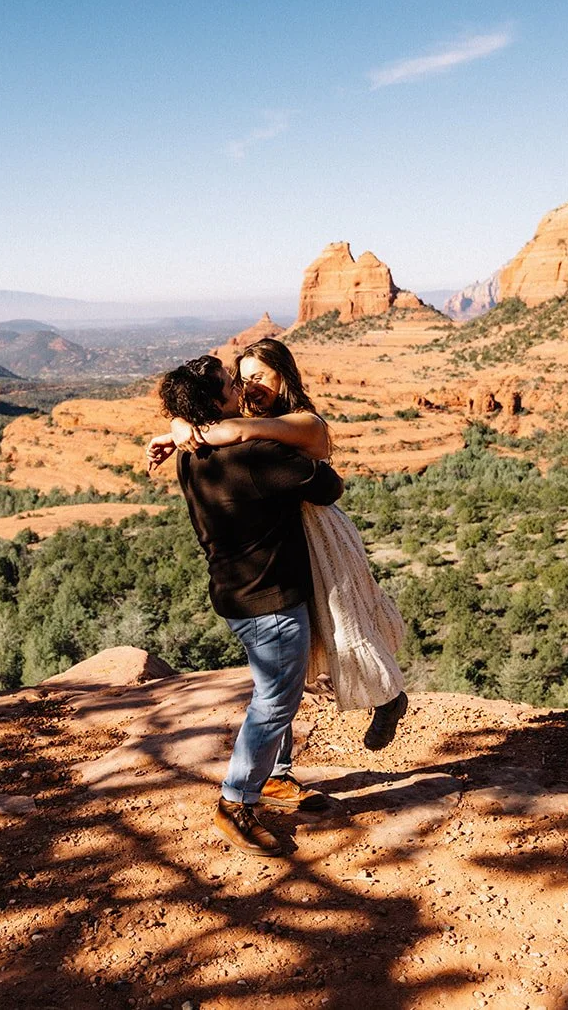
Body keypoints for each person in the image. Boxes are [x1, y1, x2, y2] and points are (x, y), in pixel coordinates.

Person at [147, 338, 409, 750]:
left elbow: (238, 431)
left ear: (282, 375)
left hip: (319, 528)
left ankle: (388, 698)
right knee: (301, 651)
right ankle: (278, 769)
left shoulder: (303, 420)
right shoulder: (244, 417)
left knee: (345, 620)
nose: (250, 387)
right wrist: (180, 427)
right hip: (282, 535)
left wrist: (184, 431)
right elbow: (225, 426)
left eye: (259, 377)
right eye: (241, 379)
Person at [153, 354, 344, 857]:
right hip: (271, 600)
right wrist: (264, 432)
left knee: (275, 690)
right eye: (231, 384)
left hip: (236, 593)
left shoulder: (188, 452)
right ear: (219, 402)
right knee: (275, 700)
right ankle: (235, 801)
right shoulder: (255, 455)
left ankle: (276, 777)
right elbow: (328, 486)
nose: (240, 387)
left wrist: (188, 427)